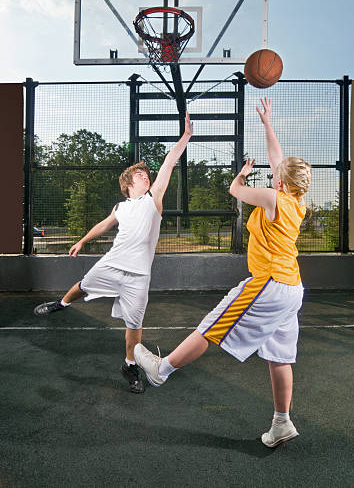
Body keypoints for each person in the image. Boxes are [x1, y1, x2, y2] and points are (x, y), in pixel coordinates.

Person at [134, 97, 312, 447]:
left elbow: (235, 191)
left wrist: (242, 176)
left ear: (280, 182)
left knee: (212, 324)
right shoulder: (297, 201)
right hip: (293, 289)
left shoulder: (273, 198)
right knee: (279, 356)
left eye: (276, 175)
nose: (273, 173)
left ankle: (162, 370)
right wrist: (267, 123)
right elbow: (278, 160)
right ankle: (281, 422)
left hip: (270, 284)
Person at [34, 113, 194, 394]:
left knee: (134, 325)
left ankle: (129, 365)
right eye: (140, 174)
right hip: (112, 263)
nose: (146, 175)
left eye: (147, 174)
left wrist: (185, 138)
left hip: (139, 276)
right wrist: (82, 240)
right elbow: (104, 225)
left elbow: (169, 163)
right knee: (83, 286)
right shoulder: (121, 207)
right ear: (129, 183)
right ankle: (61, 304)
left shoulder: (153, 199)